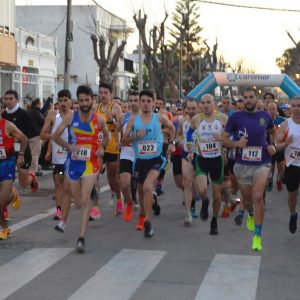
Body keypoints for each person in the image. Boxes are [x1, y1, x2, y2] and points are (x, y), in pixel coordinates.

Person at [53, 85, 109, 253]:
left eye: (87, 100)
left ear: (93, 100)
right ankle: (90, 199)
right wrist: (69, 146)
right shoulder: (71, 117)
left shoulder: (99, 120)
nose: (85, 103)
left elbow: (107, 136)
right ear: (78, 101)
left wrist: (102, 148)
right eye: (82, 100)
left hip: (91, 164)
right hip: (73, 164)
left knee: (84, 202)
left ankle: (81, 237)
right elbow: (55, 136)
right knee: (77, 202)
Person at [222, 87, 277, 251]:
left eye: (251, 97)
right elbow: (224, 140)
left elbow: (273, 132)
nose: (248, 100)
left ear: (256, 98)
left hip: (262, 162)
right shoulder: (235, 117)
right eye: (245, 97)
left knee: (258, 196)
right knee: (246, 199)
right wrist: (236, 144)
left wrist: (273, 145)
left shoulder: (265, 116)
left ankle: (257, 236)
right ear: (243, 100)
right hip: (242, 164)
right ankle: (251, 215)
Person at [122, 90, 175, 238]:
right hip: (140, 161)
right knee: (141, 192)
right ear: (139, 102)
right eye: (143, 101)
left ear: (153, 103)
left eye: (148, 101)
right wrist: (135, 136)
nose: (145, 104)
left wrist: (171, 143)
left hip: (156, 160)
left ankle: (147, 222)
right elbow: (123, 141)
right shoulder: (133, 120)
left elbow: (172, 128)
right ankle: (142, 215)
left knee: (147, 187)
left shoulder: (159, 118)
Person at [186, 94, 228, 235]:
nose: (205, 105)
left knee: (217, 196)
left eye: (208, 102)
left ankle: (214, 220)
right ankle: (204, 201)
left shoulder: (223, 119)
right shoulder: (196, 119)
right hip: (202, 158)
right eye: (203, 103)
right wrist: (191, 149)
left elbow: (231, 136)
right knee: (202, 189)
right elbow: (189, 134)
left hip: (217, 159)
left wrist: (222, 138)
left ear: (214, 103)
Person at [40, 89, 73, 222]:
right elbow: (43, 134)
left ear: (71, 102)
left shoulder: (75, 116)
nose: (63, 103)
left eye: (66, 100)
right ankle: (59, 210)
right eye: (60, 100)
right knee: (58, 183)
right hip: (58, 156)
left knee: (67, 185)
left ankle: (67, 205)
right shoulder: (52, 115)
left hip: (71, 156)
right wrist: (55, 139)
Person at [94, 83, 122, 216]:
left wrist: (111, 121)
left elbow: (120, 127)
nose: (103, 95)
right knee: (94, 176)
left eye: (105, 92)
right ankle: (95, 206)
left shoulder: (115, 108)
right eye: (101, 92)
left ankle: (118, 199)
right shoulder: (95, 108)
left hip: (112, 146)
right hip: (98, 146)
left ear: (110, 94)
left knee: (112, 178)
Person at [2, 90, 38, 192]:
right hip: (7, 152)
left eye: (11, 98)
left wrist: (19, 137)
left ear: (16, 100)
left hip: (22, 150)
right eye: (6, 99)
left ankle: (31, 176)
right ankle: (4, 203)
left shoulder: (23, 114)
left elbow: (35, 131)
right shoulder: (3, 115)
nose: (8, 101)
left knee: (23, 184)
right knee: (5, 180)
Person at [0, 108, 28, 239]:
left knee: (1, 202)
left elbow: (24, 139)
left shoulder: (8, 125)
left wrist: (21, 155)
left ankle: (12, 194)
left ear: (1, 109)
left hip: (7, 165)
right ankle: (5, 229)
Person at [276, 96, 300, 234]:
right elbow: (276, 145)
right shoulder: (286, 125)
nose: (297, 108)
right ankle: (293, 214)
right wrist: (285, 143)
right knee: (292, 195)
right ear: (290, 108)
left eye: (299, 106)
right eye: (294, 106)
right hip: (291, 166)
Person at [176, 99, 198, 225]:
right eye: (188, 108)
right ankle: (188, 212)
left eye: (193, 108)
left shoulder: (202, 120)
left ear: (197, 108)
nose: (190, 111)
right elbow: (178, 135)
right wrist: (179, 140)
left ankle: (197, 199)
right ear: (185, 109)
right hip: (186, 155)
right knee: (187, 182)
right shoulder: (182, 121)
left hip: (201, 155)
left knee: (200, 187)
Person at [119, 91, 140, 223]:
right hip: (126, 152)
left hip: (140, 154)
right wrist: (117, 141)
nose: (132, 103)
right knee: (124, 184)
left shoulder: (146, 117)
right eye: (130, 100)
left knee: (139, 182)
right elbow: (115, 130)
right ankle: (129, 202)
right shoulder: (123, 116)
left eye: (135, 100)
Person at [27, 98, 45, 175]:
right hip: (35, 135)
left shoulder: (28, 112)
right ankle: (34, 170)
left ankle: (28, 169)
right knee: (35, 154)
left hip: (26, 136)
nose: (41, 105)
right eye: (40, 103)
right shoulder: (36, 112)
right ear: (37, 104)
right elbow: (43, 122)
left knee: (29, 153)